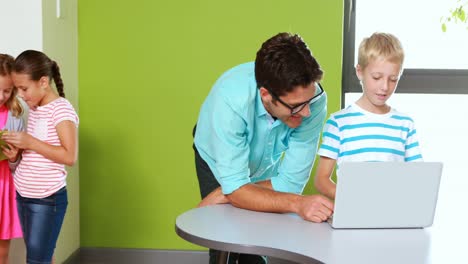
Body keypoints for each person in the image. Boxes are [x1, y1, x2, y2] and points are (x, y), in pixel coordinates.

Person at [193, 32, 334, 264]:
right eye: (297, 106)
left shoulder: (313, 101)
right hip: (216, 155)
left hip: (263, 163)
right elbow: (280, 194)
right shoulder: (231, 101)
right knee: (223, 240)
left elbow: (291, 183)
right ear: (266, 95)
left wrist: (230, 192)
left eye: (309, 102)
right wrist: (236, 191)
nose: (307, 113)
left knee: (255, 241)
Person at [314, 32, 423, 200]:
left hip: (395, 211)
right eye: (377, 77)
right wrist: (354, 198)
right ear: (360, 72)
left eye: (393, 79)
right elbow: (321, 180)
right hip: (353, 211)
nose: (385, 87)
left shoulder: (405, 124)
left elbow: (418, 177)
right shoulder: (338, 123)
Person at [2, 50, 79, 264]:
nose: (20, 95)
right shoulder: (36, 108)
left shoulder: (61, 110)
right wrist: (14, 157)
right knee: (41, 257)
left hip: (46, 199)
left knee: (37, 259)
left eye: (23, 88)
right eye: (17, 89)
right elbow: (34, 155)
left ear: (43, 82)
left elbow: (69, 156)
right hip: (24, 195)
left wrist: (30, 142)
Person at [0, 54, 25, 264]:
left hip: (4, 187)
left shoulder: (15, 116)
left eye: (7, 91)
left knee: (1, 252)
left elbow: (21, 163)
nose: (1, 96)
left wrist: (14, 157)